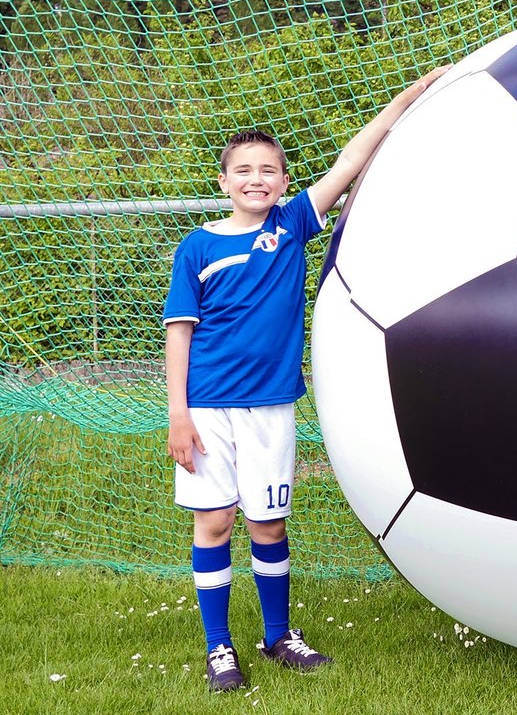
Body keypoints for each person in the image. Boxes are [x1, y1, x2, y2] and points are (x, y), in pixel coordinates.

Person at [163, 65, 451, 692]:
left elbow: (350, 160)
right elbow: (179, 335)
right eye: (243, 170)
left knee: (268, 525)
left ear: (284, 181)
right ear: (224, 182)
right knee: (213, 524)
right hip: (208, 410)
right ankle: (219, 649)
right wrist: (178, 415)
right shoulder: (198, 248)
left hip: (271, 408)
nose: (256, 179)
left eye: (268, 170)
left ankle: (276, 635)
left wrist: (408, 96)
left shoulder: (289, 226)